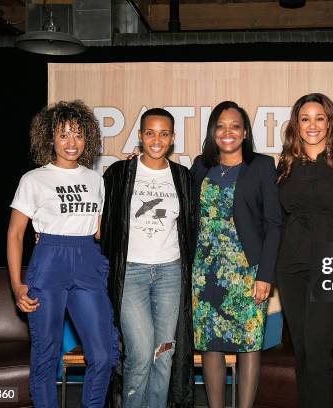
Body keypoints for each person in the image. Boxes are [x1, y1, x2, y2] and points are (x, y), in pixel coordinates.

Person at [7, 100, 117, 408]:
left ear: (88, 139)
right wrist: (17, 283)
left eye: (79, 135)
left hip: (87, 260)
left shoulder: (96, 179)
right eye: (64, 134)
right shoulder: (34, 179)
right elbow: (15, 234)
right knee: (47, 354)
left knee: (104, 354)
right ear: (51, 138)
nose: (72, 143)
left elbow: (97, 230)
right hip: (49, 262)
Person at [100, 108, 194, 407]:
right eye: (150, 133)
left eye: (164, 133)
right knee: (140, 354)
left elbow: (190, 228)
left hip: (169, 274)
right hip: (131, 274)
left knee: (163, 354)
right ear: (140, 136)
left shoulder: (182, 177)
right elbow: (98, 221)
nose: (157, 140)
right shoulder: (119, 173)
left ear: (173, 138)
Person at [191, 100, 281, 408]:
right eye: (221, 126)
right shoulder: (199, 167)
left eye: (235, 126)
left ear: (244, 132)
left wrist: (265, 275)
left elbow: (274, 225)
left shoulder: (261, 166)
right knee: (209, 344)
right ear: (212, 131)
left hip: (246, 271)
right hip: (204, 270)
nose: (227, 132)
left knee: (249, 344)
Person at [275, 93, 333, 408]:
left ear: (330, 122)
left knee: (316, 348)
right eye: (305, 118)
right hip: (291, 265)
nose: (312, 125)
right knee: (301, 351)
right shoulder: (285, 164)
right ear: (296, 124)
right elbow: (275, 219)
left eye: (319, 118)